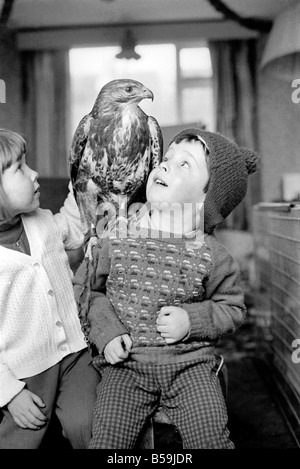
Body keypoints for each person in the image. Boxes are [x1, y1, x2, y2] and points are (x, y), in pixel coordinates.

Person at [75, 127, 259, 449]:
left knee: (211, 438)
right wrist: (106, 332)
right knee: (106, 441)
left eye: (184, 164)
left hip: (190, 367)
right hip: (126, 368)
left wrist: (194, 320)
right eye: (166, 157)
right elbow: (89, 290)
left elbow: (233, 308)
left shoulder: (211, 254)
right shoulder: (116, 236)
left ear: (206, 199)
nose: (163, 165)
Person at [0, 129, 99, 449]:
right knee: (20, 441)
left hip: (74, 353)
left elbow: (73, 224)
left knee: (89, 425)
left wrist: (82, 181)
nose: (34, 173)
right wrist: (9, 394)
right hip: (23, 371)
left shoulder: (41, 219)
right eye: (19, 168)